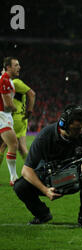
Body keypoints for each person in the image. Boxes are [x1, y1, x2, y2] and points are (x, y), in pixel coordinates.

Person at [13, 105, 82, 229]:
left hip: (74, 177)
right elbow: (26, 170)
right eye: (76, 129)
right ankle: (42, 215)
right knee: (20, 186)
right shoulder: (45, 136)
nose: (80, 131)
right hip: (48, 179)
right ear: (64, 125)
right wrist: (45, 190)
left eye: (81, 127)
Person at [0, 76, 36, 166]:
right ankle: (34, 169)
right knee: (22, 148)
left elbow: (32, 94)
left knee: (2, 146)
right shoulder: (11, 84)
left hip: (15, 118)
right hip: (22, 119)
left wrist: (30, 111)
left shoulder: (15, 83)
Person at [0, 57, 20, 186]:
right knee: (13, 144)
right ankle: (14, 177)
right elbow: (7, 104)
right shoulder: (5, 80)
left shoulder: (6, 79)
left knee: (2, 147)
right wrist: (16, 108)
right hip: (3, 116)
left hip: (4, 116)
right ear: (8, 67)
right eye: (16, 65)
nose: (19, 67)